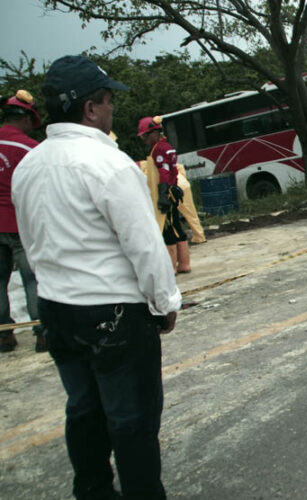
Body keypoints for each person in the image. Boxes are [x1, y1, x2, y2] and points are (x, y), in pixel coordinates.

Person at [12, 55, 181, 500]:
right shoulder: (109, 164)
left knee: (84, 411)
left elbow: (31, 242)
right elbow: (144, 246)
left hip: (56, 311)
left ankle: (92, 490)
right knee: (131, 420)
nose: (112, 109)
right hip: (113, 316)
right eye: (108, 101)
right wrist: (165, 304)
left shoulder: (29, 166)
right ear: (90, 108)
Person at [0, 90, 44, 352]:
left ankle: (4, 335)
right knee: (32, 279)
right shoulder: (30, 149)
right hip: (20, 225)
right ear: (26, 118)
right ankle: (42, 333)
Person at [138, 115, 191, 273]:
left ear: (154, 133)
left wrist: (162, 194)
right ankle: (183, 264)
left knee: (169, 230)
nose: (145, 140)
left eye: (146, 136)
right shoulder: (166, 146)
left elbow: (164, 172)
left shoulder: (159, 149)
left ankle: (171, 267)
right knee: (176, 227)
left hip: (167, 192)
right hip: (172, 190)